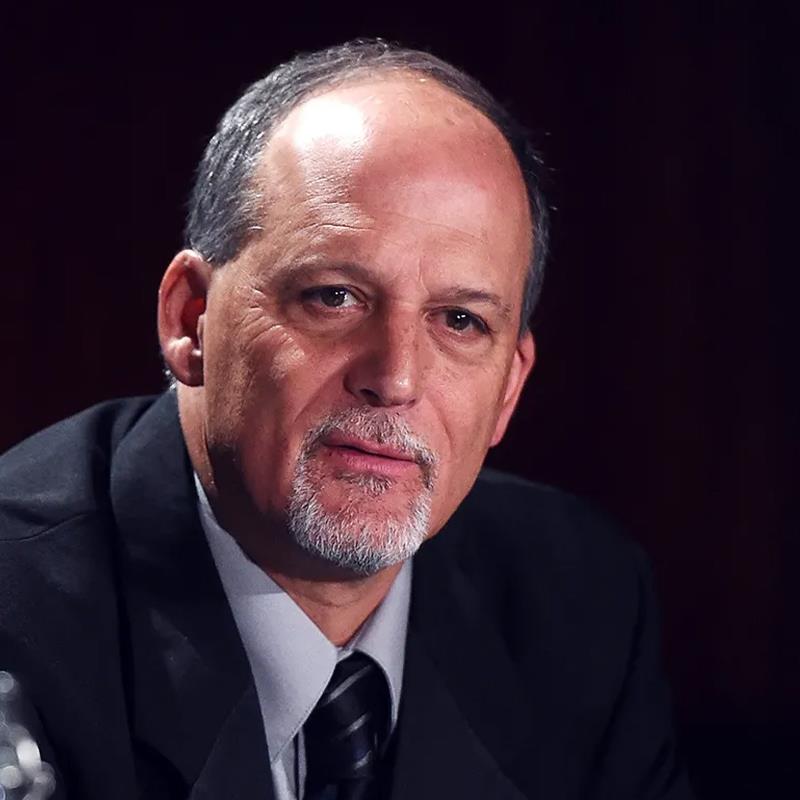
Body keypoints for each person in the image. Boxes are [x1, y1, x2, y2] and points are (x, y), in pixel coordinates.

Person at [0, 40, 693, 800]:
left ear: (508, 390)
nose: (395, 378)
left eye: (459, 320)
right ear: (191, 320)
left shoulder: (580, 601)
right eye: (334, 297)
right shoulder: (18, 618)